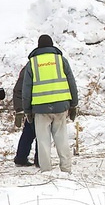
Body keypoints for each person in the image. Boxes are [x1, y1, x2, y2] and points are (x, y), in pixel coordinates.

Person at [22, 34, 79, 174]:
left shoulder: (32, 63)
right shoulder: (60, 60)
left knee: (42, 141)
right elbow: (71, 82)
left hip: (40, 109)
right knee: (62, 139)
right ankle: (66, 169)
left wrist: (27, 110)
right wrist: (74, 104)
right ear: (52, 45)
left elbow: (26, 89)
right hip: (61, 107)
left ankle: (46, 171)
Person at [12, 62, 39, 167]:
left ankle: (21, 158)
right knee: (40, 133)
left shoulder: (30, 66)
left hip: (32, 106)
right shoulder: (32, 66)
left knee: (29, 133)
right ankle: (39, 160)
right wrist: (20, 110)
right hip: (35, 106)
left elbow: (18, 90)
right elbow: (19, 90)